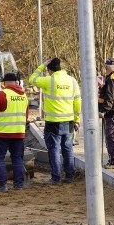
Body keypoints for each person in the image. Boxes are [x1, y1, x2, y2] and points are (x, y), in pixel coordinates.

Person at [29, 57, 81, 185]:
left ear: (49, 70)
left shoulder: (49, 80)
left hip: (53, 122)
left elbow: (32, 79)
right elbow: (77, 101)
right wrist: (77, 119)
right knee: (68, 149)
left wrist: (42, 65)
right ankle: (69, 175)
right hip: (69, 121)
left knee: (54, 150)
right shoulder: (72, 81)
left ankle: (56, 178)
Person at [0, 72, 29, 192]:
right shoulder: (24, 96)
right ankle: (18, 185)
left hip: (2, 133)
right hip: (19, 133)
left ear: (4, 83)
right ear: (16, 82)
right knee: (17, 158)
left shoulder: (2, 94)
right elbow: (26, 116)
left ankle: (2, 185)